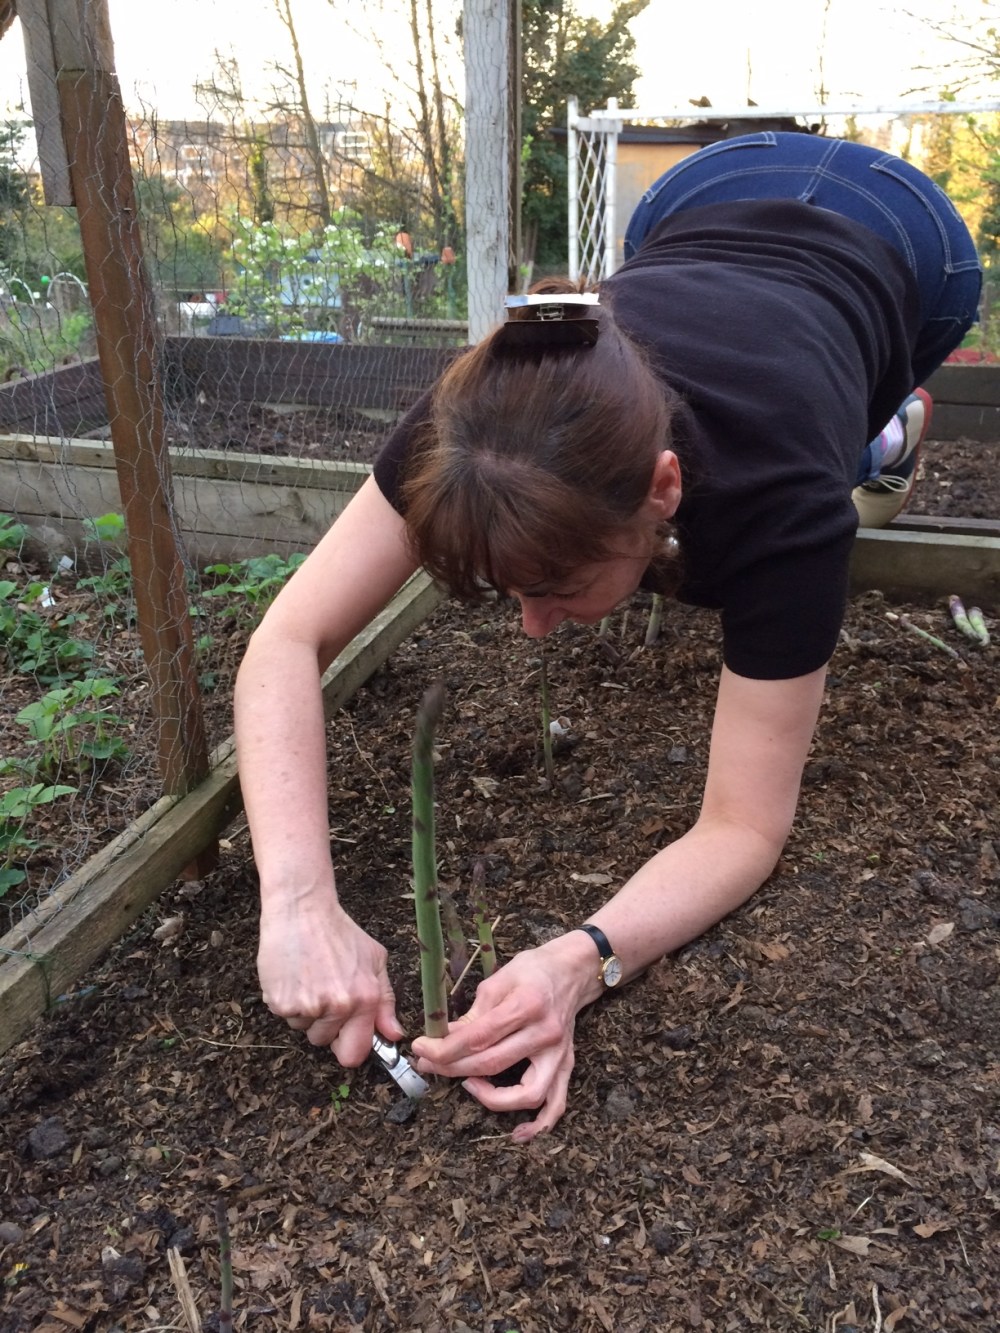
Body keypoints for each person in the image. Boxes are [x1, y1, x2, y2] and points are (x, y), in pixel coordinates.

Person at [234, 131, 982, 1142]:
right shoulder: (476, 427)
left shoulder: (788, 508)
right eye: (511, 593)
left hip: (909, 238)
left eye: (555, 589)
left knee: (846, 433)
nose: (533, 628)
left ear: (663, 488)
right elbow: (284, 641)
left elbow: (745, 827)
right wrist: (296, 901)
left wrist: (579, 962)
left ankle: (888, 431)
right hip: (701, 191)